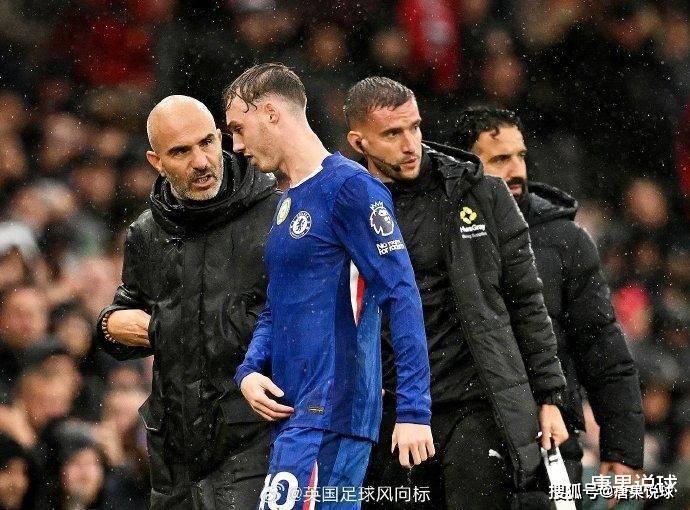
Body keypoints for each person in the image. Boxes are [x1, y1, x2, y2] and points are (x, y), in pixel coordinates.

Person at [344, 77, 568, 509]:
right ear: (359, 142)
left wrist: (550, 397)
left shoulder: (481, 192)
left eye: (415, 127)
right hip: (392, 414)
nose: (410, 144)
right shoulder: (344, 207)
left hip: (477, 404)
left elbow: (527, 301)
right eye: (392, 133)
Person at [224, 63, 434, 510]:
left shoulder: (351, 189)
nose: (236, 146)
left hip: (332, 413)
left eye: (239, 129)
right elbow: (277, 306)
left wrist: (414, 409)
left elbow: (401, 294)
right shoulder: (287, 200)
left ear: (271, 113)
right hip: (295, 414)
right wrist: (250, 370)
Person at [95, 95, 279, 509]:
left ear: (221, 138)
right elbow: (126, 313)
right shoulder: (146, 232)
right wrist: (108, 325)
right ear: (156, 162)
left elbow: (293, 320)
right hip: (174, 451)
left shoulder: (275, 215)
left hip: (256, 438)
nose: (201, 161)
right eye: (180, 152)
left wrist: (164, 326)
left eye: (207, 143)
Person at [455, 106, 644, 503]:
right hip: (464, 440)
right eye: (500, 159)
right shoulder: (443, 237)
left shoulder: (565, 241)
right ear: (464, 168)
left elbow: (603, 348)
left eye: (520, 156)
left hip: (551, 439)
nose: (517, 170)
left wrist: (622, 449)